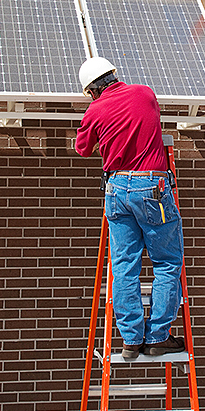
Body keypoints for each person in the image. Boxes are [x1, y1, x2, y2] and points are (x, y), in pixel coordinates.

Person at [75, 56, 185, 359]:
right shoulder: (144, 93)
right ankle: (158, 336)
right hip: (152, 187)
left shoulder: (94, 110)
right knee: (166, 262)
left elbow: (83, 149)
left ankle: (131, 339)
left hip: (116, 189)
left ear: (92, 91)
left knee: (124, 267)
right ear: (113, 75)